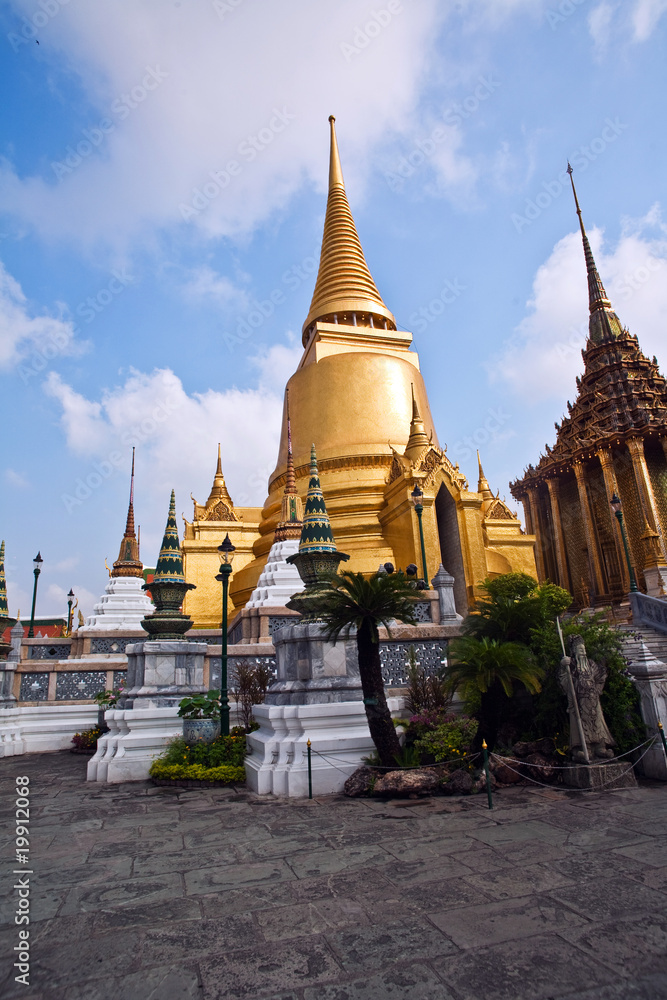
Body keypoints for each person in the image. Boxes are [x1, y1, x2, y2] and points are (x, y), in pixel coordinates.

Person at [559, 634, 615, 762]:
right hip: (579, 700)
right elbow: (564, 681)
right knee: (581, 724)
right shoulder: (571, 665)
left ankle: (600, 747)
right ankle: (585, 748)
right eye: (580, 650)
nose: (583, 652)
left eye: (584, 649)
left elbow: (601, 676)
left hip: (593, 699)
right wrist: (563, 666)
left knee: (597, 723)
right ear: (574, 651)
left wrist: (597, 690)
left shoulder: (591, 664)